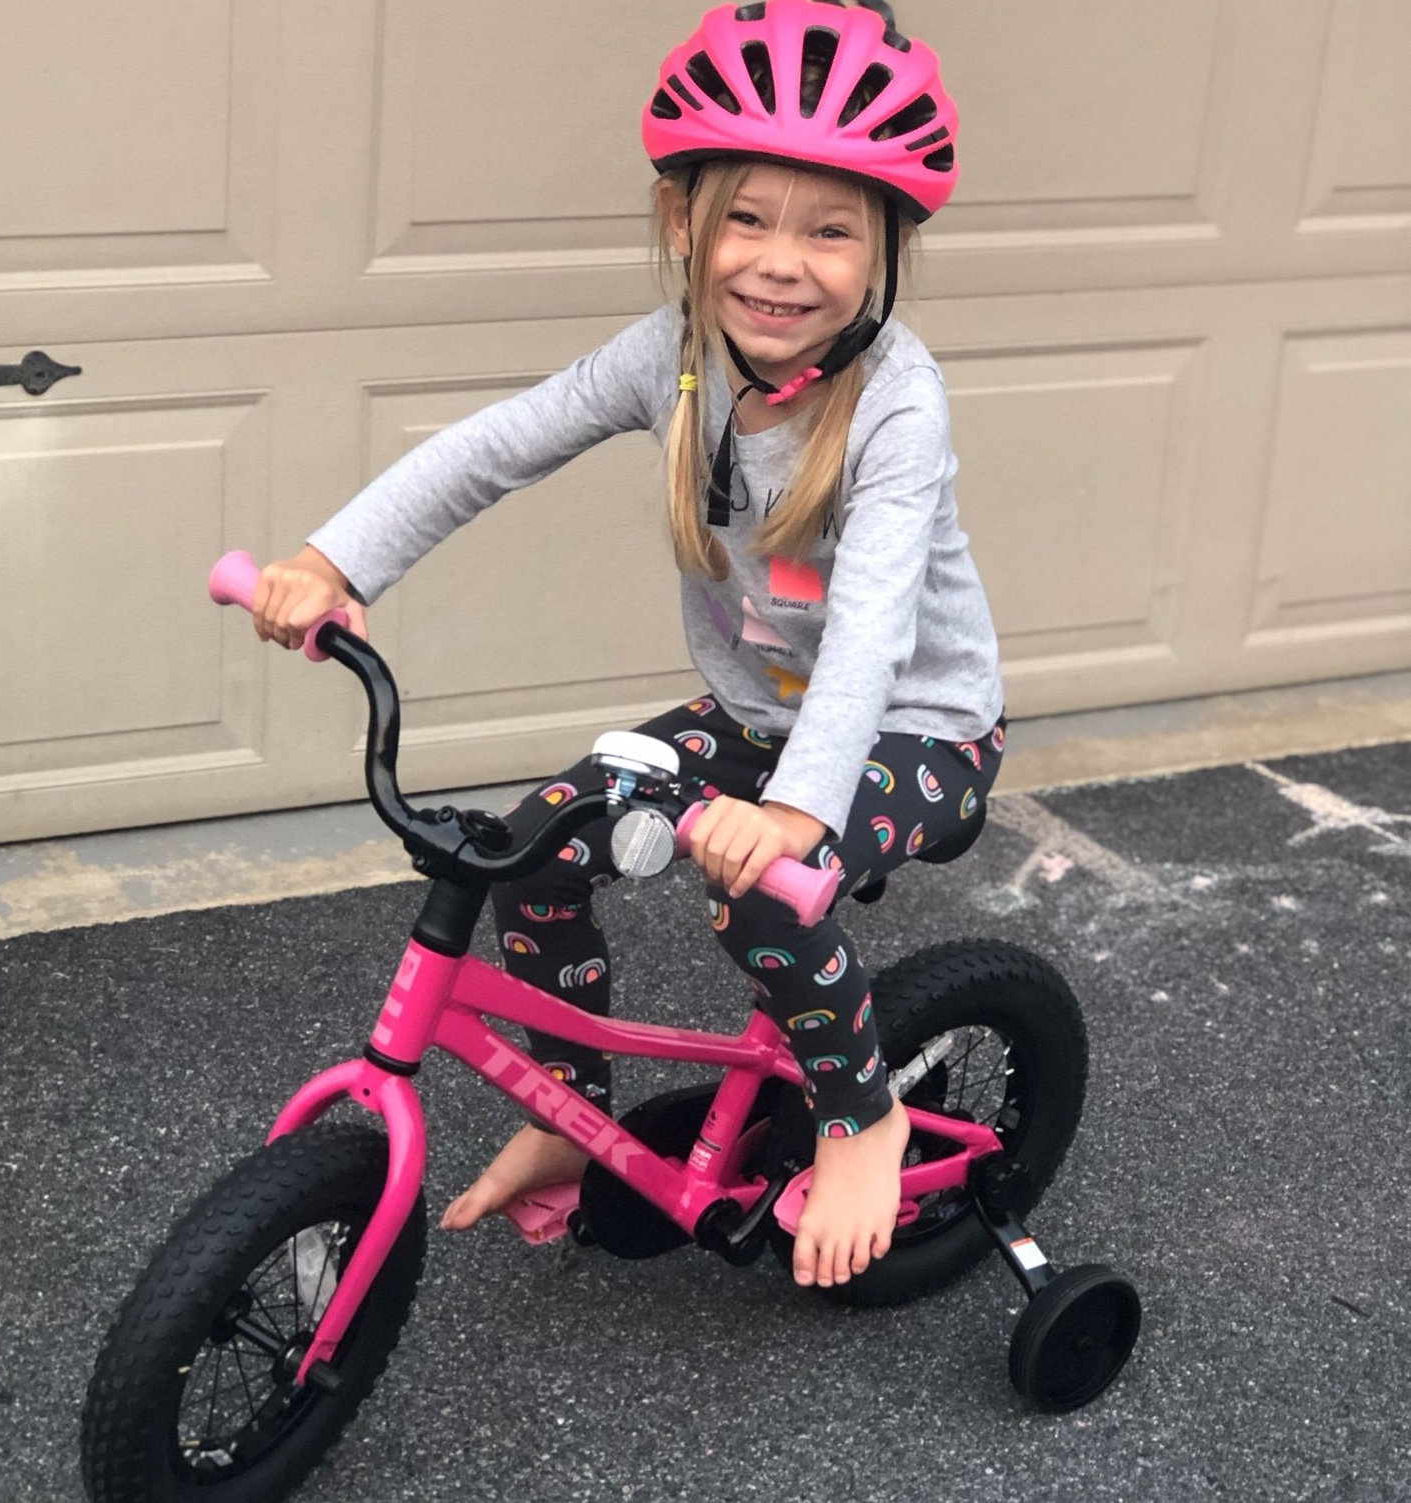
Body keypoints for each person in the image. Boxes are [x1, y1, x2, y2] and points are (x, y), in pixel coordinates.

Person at [250, 0, 1004, 1289]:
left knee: (761, 894)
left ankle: (862, 1116)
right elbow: (497, 445)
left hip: (915, 734)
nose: (783, 261)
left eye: (831, 229)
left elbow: (874, 626)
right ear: (684, 225)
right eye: (748, 219)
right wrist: (336, 560)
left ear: (884, 249)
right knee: (525, 850)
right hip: (757, 721)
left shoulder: (898, 406)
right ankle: (567, 1105)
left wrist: (800, 816)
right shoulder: (674, 356)